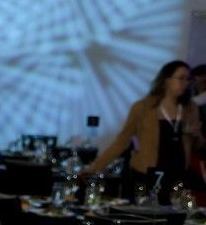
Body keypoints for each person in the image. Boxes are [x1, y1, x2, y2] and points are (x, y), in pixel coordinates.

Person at [85, 59, 199, 201]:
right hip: (147, 173)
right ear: (166, 80)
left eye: (188, 79)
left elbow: (199, 145)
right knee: (144, 215)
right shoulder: (143, 107)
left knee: (173, 216)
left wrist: (195, 135)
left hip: (177, 174)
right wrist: (97, 166)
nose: (186, 83)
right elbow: (123, 140)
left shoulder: (190, 108)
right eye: (181, 78)